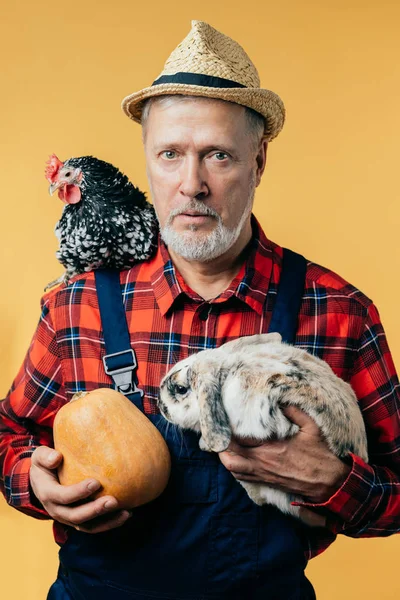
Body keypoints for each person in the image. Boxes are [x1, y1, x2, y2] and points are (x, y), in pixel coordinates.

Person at [1, 19, 399, 600]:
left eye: (218, 156)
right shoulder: (76, 303)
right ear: (147, 162)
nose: (192, 184)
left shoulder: (337, 311)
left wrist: (335, 481)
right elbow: (10, 433)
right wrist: (33, 482)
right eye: (170, 154)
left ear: (258, 162)